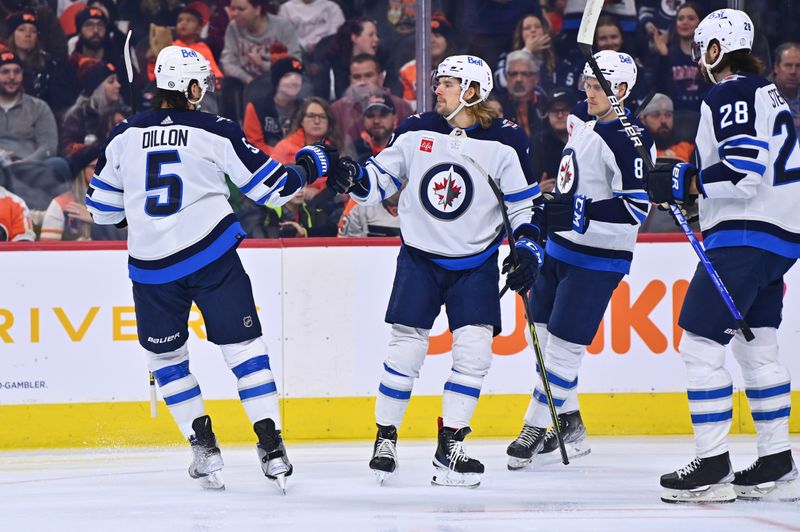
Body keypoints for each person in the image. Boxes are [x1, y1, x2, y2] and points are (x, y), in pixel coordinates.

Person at [85, 45, 329, 492]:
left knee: (167, 359)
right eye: (203, 83)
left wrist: (134, 211)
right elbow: (272, 189)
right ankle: (271, 446)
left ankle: (204, 447)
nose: (206, 91)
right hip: (212, 258)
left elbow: (100, 210)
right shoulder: (214, 129)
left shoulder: (123, 135)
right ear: (190, 87)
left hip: (153, 270)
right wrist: (310, 165)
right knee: (245, 352)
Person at [323, 54, 545, 487]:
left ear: (472, 91)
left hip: (476, 261)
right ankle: (385, 438)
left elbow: (523, 205)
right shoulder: (416, 128)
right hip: (420, 257)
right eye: (439, 81)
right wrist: (352, 177)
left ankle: (452, 446)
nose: (436, 89)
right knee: (405, 350)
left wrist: (530, 248)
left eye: (446, 83)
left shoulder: (507, 141)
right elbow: (377, 185)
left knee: (475, 353)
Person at [647, 9, 800, 504]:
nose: (699, 58)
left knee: (699, 345)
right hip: (779, 239)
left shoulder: (731, 90)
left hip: (743, 237)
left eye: (702, 48)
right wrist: (694, 184)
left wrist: (687, 180)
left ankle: (712, 464)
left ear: (715, 50)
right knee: (759, 349)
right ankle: (776, 458)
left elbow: (741, 174)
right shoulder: (767, 93)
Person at [505, 51, 655, 470]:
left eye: (596, 87)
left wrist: (580, 211)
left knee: (564, 352)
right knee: (541, 339)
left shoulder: (631, 140)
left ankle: (535, 426)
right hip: (558, 250)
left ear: (621, 92)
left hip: (598, 260)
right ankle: (568, 420)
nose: (586, 93)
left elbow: (636, 209)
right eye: (586, 84)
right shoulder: (584, 118)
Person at [40, 143, 126, 241]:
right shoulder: (61, 204)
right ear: (82, 171)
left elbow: (134, 239)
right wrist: (77, 248)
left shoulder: (122, 201)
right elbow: (48, 250)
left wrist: (96, 220)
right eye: (95, 168)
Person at [331, 53, 413, 147]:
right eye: (357, 77)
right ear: (350, 80)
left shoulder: (401, 107)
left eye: (368, 75)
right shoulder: (337, 109)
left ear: (381, 78)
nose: (363, 82)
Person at [243, 55, 304, 155]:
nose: (294, 81)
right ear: (277, 81)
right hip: (266, 165)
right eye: (287, 76)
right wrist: (281, 155)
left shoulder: (306, 108)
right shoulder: (256, 107)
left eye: (298, 76)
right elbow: (253, 144)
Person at [530, 87, 578, 192]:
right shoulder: (538, 142)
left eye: (565, 110)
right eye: (554, 110)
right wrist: (536, 191)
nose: (560, 115)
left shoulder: (587, 139)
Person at [639, 93, 695, 162]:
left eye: (668, 115)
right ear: (642, 120)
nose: (663, 120)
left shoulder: (688, 149)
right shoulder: (637, 152)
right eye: (655, 115)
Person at [354, 94, 396, 162]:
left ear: (395, 118)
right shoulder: (354, 151)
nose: (376, 121)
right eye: (370, 115)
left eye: (383, 115)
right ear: (362, 119)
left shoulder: (404, 147)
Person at [772, 42, 800, 135]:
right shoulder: (763, 95)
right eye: (788, 65)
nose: (793, 71)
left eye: (798, 66)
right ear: (776, 67)